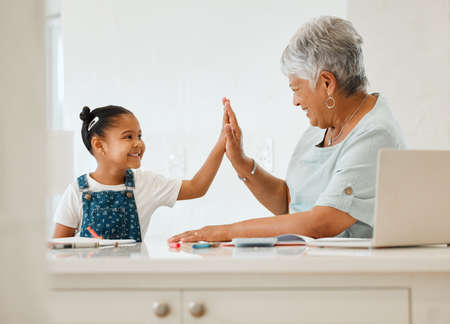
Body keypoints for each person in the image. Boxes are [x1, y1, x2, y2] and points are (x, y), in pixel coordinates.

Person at [169, 16, 406, 243]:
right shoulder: (322, 126)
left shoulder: (375, 134)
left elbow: (321, 222)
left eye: (296, 89)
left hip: (354, 275)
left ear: (326, 83)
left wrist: (224, 232)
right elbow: (291, 203)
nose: (295, 101)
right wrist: (241, 162)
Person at [53, 104, 229, 242]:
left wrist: (222, 143)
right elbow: (58, 248)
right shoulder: (77, 191)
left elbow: (197, 187)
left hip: (132, 278)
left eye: (139, 136)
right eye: (128, 136)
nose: (138, 143)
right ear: (99, 145)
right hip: (87, 281)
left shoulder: (146, 183)